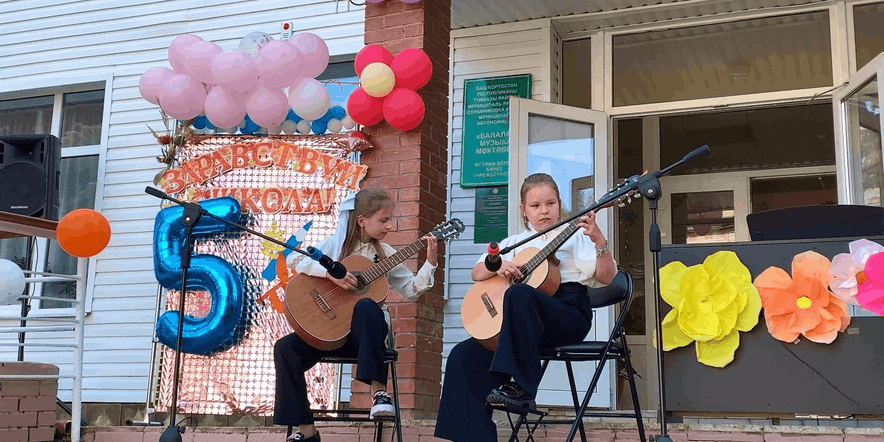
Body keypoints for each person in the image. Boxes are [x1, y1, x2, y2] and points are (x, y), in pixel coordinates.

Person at [435, 173, 615, 442]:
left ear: (559, 204)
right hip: (522, 327)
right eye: (535, 206)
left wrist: (599, 242)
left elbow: (607, 277)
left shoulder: (576, 235)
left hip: (566, 314)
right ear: (523, 210)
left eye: (551, 203)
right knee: (463, 357)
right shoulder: (513, 243)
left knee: (520, 294)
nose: (544, 211)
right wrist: (497, 266)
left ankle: (521, 389)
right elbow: (476, 272)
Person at [274, 188, 438, 442]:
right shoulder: (335, 245)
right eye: (383, 220)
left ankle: (379, 394)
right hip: (329, 332)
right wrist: (329, 274)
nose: (390, 226)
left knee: (367, 306)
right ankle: (306, 430)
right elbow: (294, 259)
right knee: (284, 348)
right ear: (362, 221)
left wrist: (430, 262)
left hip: (364, 341)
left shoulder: (385, 254)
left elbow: (412, 289)